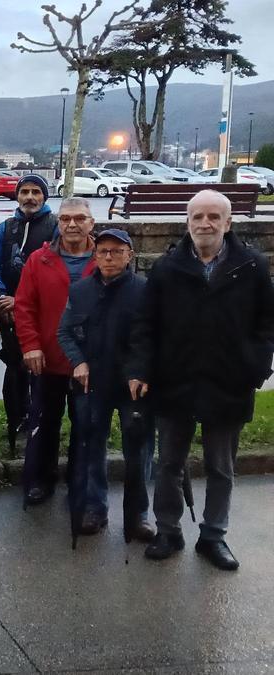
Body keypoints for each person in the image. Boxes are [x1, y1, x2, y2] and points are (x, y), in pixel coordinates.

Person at [128, 190, 274, 570]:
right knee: (168, 464)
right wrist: (141, 369)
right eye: (197, 217)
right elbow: (146, 324)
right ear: (187, 221)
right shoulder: (167, 268)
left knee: (221, 467)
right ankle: (168, 530)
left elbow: (266, 324)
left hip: (229, 382)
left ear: (228, 223)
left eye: (213, 216)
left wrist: (256, 367)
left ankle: (214, 536)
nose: (205, 224)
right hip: (174, 379)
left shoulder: (252, 267)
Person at [57, 229, 154, 540]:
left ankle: (138, 515)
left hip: (132, 386)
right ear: (95, 256)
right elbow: (66, 332)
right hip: (93, 382)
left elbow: (155, 338)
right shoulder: (81, 290)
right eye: (103, 252)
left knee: (138, 450)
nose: (109, 257)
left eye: (116, 251)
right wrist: (78, 362)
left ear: (129, 255)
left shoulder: (145, 291)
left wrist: (142, 372)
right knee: (90, 446)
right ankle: (93, 507)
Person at [14, 197, 97, 506]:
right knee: (44, 422)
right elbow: (24, 306)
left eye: (79, 219)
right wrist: (31, 346)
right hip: (47, 358)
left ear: (91, 223)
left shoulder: (105, 257)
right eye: (65, 219)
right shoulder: (39, 259)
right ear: (58, 224)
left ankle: (81, 482)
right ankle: (40, 479)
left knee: (86, 425)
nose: (72, 225)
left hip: (89, 361)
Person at [0, 175, 58, 455]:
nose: (30, 197)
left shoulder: (55, 228)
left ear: (44, 197)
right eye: (25, 192)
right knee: (15, 368)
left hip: (43, 311)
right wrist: (0, 295)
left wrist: (24, 302)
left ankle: (40, 420)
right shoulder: (5, 228)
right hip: (9, 312)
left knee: (42, 370)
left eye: (36, 192)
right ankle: (15, 417)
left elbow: (56, 272)